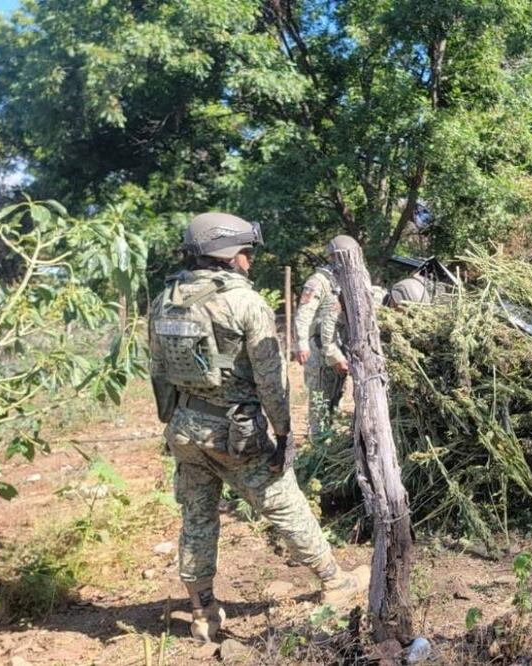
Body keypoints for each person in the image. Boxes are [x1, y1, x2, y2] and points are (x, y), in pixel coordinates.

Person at [149, 213, 368, 643]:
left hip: (183, 428)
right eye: (246, 252)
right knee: (283, 502)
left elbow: (157, 368)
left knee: (196, 517)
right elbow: (272, 379)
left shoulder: (166, 299)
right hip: (235, 433)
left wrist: (173, 420)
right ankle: (335, 580)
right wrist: (284, 434)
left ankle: (202, 610)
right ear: (228, 255)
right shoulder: (244, 303)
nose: (250, 261)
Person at [293, 238, 352, 443]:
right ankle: (318, 445)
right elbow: (304, 313)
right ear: (332, 257)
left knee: (337, 396)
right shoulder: (318, 281)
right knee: (320, 400)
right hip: (318, 348)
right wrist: (301, 343)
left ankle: (331, 441)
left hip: (338, 346)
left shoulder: (346, 280)